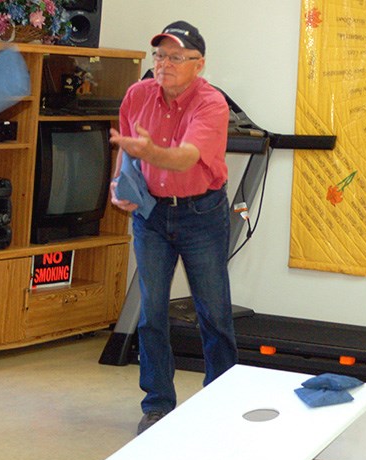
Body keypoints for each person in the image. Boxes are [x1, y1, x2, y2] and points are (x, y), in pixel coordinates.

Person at [109, 21, 238, 435]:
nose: (164, 64)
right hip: (150, 214)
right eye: (160, 55)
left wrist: (152, 152)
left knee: (213, 314)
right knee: (151, 313)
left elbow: (184, 158)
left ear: (198, 65)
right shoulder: (137, 94)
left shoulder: (211, 104)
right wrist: (119, 184)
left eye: (175, 57)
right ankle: (158, 405)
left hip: (201, 214)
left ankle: (221, 401)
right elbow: (129, 153)